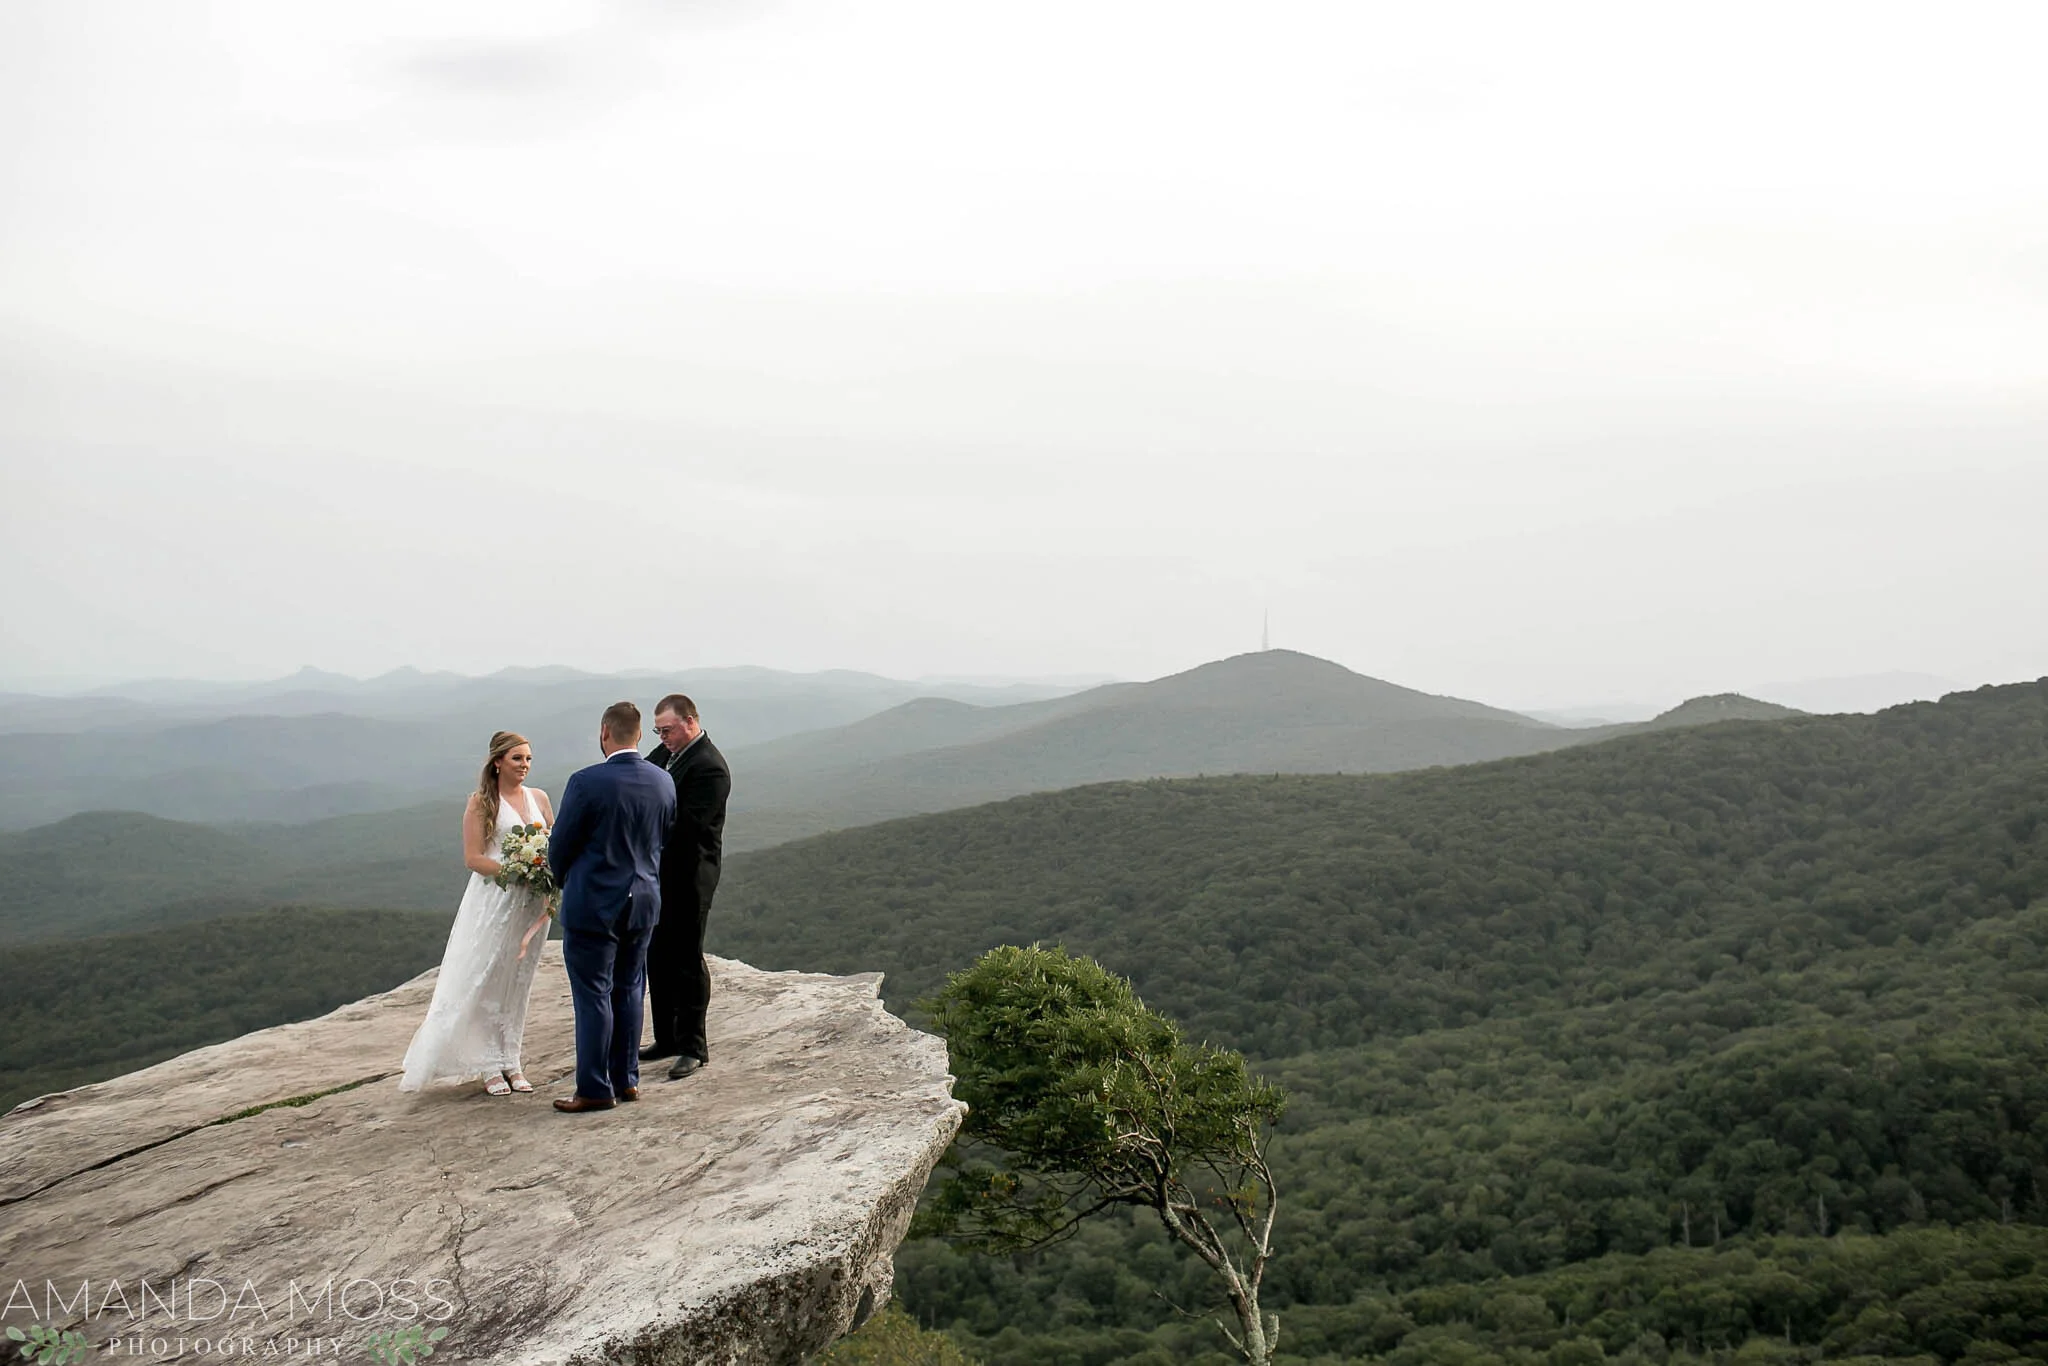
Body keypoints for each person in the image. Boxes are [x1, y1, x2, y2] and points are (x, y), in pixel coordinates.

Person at [399, 731, 556, 1096]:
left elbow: (551, 839)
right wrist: (514, 870)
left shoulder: (540, 798)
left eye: (529, 758)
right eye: (517, 758)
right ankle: (487, 1065)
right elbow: (473, 858)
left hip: (530, 905)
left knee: (518, 983)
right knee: (486, 979)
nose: (525, 765)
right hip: (494, 904)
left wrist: (543, 872)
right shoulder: (482, 803)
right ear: (498, 761)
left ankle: (511, 1059)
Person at [547, 701, 676, 1113]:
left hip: (594, 903)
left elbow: (560, 848)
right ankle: (628, 1080)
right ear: (639, 735)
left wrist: (566, 879)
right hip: (644, 900)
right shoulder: (663, 781)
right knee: (631, 987)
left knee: (593, 994)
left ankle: (595, 1088)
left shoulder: (586, 782)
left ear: (605, 732)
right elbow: (663, 838)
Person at [641, 693, 732, 1080]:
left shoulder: (710, 767)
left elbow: (689, 826)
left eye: (668, 730)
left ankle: (694, 1045)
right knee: (656, 953)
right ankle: (667, 1037)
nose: (662, 737)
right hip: (659, 872)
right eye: (658, 730)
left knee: (687, 956)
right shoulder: (665, 755)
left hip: (692, 874)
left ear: (690, 722)